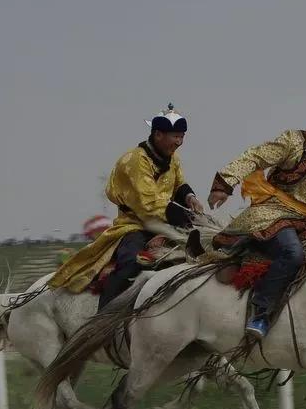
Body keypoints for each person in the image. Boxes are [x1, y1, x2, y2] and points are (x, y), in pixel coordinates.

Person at [206, 85, 306, 339]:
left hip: (305, 222)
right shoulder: (294, 141)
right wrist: (224, 183)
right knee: (293, 255)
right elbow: (255, 157)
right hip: (272, 213)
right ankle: (260, 313)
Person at [49, 103, 204, 308]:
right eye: (175, 136)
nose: (179, 142)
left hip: (167, 224)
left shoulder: (172, 157)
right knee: (133, 263)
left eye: (182, 136)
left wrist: (190, 198)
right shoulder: (135, 161)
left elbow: (179, 184)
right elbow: (150, 205)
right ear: (158, 134)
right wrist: (190, 219)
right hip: (134, 225)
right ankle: (103, 316)